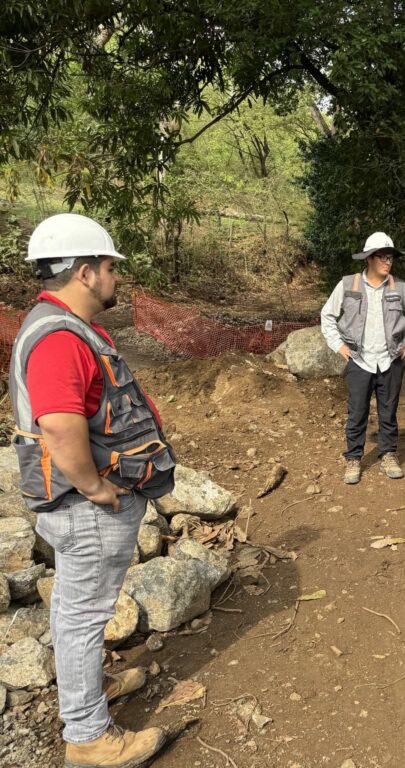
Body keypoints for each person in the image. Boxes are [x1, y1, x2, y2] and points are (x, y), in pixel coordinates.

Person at [8, 214, 175, 767]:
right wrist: (94, 485)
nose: (115, 277)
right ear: (84, 272)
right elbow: (59, 425)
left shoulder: (61, 325)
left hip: (80, 502)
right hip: (85, 506)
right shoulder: (59, 338)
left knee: (78, 609)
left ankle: (88, 692)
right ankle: (87, 737)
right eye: (109, 267)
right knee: (83, 614)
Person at [321, 231, 405, 484]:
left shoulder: (400, 287)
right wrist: (338, 345)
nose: (388, 262)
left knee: (389, 411)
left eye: (390, 257)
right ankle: (353, 458)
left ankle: (388, 454)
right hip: (360, 360)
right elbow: (327, 315)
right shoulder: (348, 285)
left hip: (390, 360)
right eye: (382, 257)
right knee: (357, 412)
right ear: (369, 258)